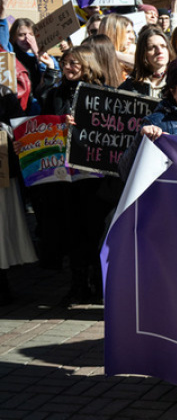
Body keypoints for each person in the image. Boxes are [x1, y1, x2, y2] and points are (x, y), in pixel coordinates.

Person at [32, 45, 113, 303]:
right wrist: (58, 124)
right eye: (65, 62)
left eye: (74, 62)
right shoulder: (55, 94)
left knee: (94, 228)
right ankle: (78, 283)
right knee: (72, 228)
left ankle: (98, 282)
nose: (68, 67)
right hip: (64, 175)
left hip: (93, 176)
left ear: (88, 64)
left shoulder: (102, 94)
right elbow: (42, 124)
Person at [119, 27, 174, 98]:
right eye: (152, 47)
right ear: (143, 53)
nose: (159, 51)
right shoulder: (130, 86)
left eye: (163, 46)